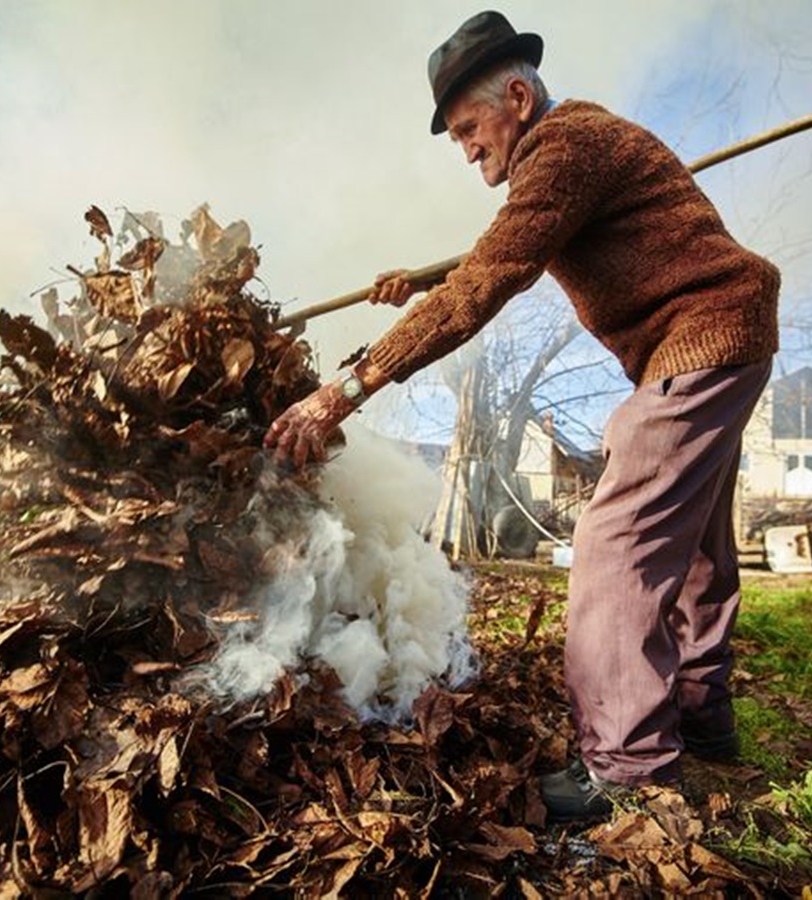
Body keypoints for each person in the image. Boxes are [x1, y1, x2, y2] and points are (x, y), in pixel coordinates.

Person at [264, 10, 779, 822]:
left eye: (470, 127)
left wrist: (349, 388)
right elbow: (487, 261)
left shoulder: (565, 148)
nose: (468, 149)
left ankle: (629, 767)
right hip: (729, 337)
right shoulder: (574, 153)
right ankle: (701, 713)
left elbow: (492, 277)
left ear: (516, 96)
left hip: (702, 340)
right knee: (699, 544)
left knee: (617, 541)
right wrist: (421, 282)